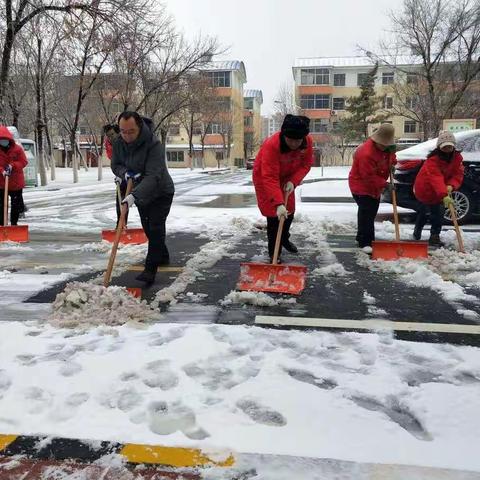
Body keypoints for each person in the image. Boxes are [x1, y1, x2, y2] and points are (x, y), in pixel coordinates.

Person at [111, 112, 175, 284]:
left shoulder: (153, 145)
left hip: (160, 192)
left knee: (155, 227)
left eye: (131, 131)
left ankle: (150, 270)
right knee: (148, 227)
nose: (126, 135)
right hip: (139, 192)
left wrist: (133, 196)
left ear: (139, 127)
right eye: (123, 131)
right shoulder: (119, 143)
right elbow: (115, 164)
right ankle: (162, 255)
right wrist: (124, 174)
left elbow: (154, 176)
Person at [252, 114, 313, 263]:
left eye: (297, 140)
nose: (294, 144)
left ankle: (284, 239)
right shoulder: (271, 145)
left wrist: (294, 181)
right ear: (284, 135)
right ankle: (274, 254)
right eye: (290, 140)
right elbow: (270, 177)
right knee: (274, 217)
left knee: (289, 212)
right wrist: (278, 204)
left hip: (287, 178)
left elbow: (306, 165)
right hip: (265, 177)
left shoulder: (307, 142)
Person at [348, 123, 397, 250]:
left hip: (375, 186)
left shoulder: (389, 148)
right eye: (382, 144)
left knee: (369, 212)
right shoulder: (366, 153)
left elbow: (392, 157)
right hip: (360, 185)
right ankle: (366, 243)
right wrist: (385, 184)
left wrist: (392, 164)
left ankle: (361, 237)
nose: (384, 146)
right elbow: (368, 176)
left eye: (387, 144)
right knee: (367, 213)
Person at [413, 131, 464, 247]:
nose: (447, 148)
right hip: (425, 188)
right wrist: (444, 194)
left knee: (438, 213)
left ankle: (434, 237)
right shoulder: (432, 160)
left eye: (449, 146)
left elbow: (458, 174)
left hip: (441, 189)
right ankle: (417, 230)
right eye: (444, 146)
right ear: (439, 147)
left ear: (453, 146)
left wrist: (451, 185)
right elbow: (436, 178)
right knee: (424, 213)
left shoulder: (457, 158)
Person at [0, 126, 28, 226]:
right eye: (1, 140)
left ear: (9, 139)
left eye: (5, 139)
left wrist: (13, 165)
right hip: (1, 183)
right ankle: (2, 225)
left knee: (15, 205)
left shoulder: (17, 149)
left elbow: (24, 162)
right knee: (1, 205)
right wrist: (2, 170)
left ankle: (13, 224)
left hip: (16, 182)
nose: (3, 142)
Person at [103, 123, 126, 227]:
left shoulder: (125, 142)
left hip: (134, 176)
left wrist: (124, 174)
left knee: (140, 202)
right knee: (120, 201)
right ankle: (120, 225)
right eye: (108, 135)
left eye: (112, 134)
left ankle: (148, 226)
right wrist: (118, 174)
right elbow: (114, 162)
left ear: (118, 133)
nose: (110, 137)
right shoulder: (109, 144)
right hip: (122, 176)